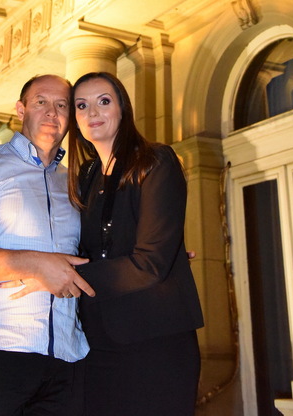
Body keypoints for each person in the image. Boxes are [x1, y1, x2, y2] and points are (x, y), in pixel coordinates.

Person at [0, 74, 94, 416]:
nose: (52, 112)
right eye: (41, 102)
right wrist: (36, 265)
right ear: (21, 110)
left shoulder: (74, 182)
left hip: (67, 359)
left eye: (62, 105)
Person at [69, 71, 203, 416]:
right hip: (96, 340)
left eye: (103, 101)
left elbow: (151, 263)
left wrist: (65, 277)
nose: (92, 112)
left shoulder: (155, 160)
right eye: (81, 105)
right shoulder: (86, 175)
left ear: (123, 108)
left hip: (155, 340)